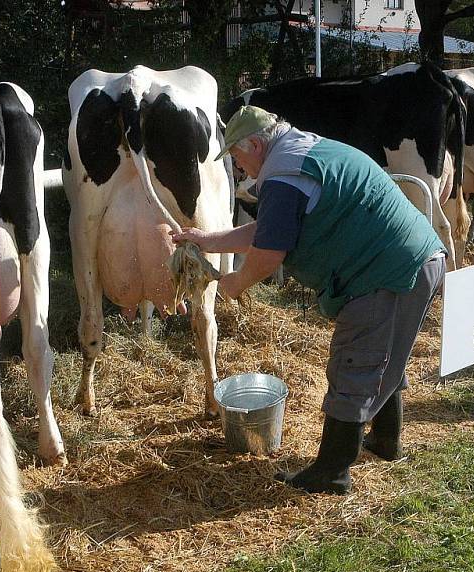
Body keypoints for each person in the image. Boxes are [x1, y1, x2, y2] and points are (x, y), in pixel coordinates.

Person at [171, 105, 446, 495]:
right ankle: (386, 440)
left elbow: (267, 255)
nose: (236, 166)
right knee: (383, 349)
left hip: (388, 271)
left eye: (236, 155)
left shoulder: (283, 176)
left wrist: (236, 282)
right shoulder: (300, 152)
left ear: (254, 144)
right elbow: (268, 229)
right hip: (415, 259)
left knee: (354, 360)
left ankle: (332, 471)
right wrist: (205, 240)